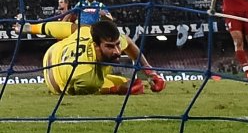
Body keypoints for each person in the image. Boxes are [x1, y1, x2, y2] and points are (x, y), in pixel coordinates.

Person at [16, 19, 166, 95]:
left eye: (117, 45)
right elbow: (70, 91)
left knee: (79, 28)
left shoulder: (89, 32)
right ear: (95, 45)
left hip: (60, 50)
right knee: (132, 85)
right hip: (55, 77)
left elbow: (129, 43)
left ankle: (30, 27)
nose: (117, 51)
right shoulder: (87, 77)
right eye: (109, 46)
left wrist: (149, 71)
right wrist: (119, 89)